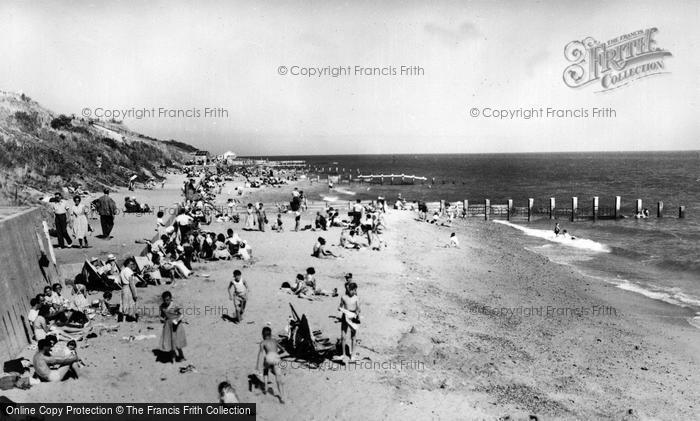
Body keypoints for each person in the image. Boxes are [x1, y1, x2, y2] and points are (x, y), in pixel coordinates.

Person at [255, 326, 286, 403]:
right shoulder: (275, 341)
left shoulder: (263, 342)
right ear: (271, 334)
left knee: (265, 369)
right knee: (278, 379)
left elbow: (261, 354)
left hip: (268, 357)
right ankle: (282, 397)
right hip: (276, 357)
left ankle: (265, 386)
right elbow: (283, 350)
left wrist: (258, 365)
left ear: (263, 335)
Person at [159, 291, 187, 363]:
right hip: (168, 326)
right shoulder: (162, 307)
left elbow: (181, 315)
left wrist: (177, 320)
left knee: (177, 343)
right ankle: (173, 358)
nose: (166, 301)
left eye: (168, 300)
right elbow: (162, 316)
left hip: (176, 325)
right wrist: (162, 319)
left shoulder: (175, 306)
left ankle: (181, 356)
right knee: (170, 342)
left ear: (171, 299)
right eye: (165, 300)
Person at [338, 282, 360, 361]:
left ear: (354, 290)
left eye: (352, 290)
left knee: (353, 337)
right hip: (345, 316)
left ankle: (353, 355)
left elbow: (358, 308)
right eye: (350, 290)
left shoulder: (356, 298)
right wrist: (340, 308)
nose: (351, 292)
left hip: (353, 316)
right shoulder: (343, 297)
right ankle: (343, 354)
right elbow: (340, 306)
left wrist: (357, 313)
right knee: (343, 336)